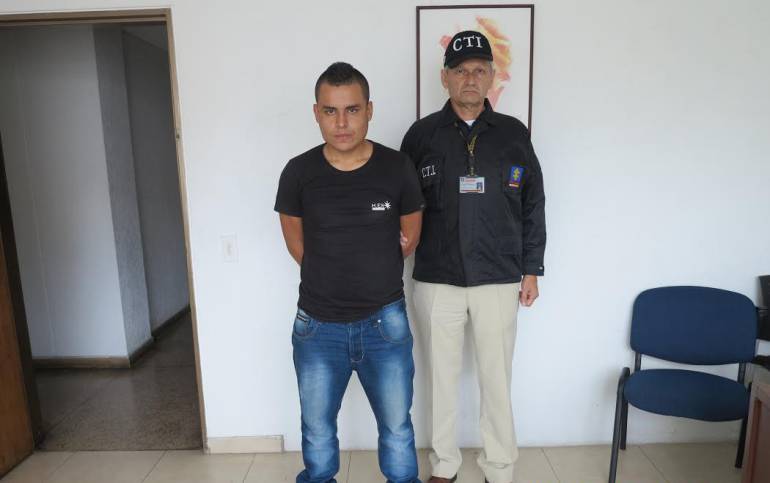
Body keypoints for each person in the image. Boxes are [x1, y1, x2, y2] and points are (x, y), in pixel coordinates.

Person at [400, 31, 546, 483]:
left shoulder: (513, 134)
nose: (470, 78)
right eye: (460, 70)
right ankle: (444, 465)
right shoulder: (421, 135)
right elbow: (403, 206)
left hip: (499, 277)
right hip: (436, 279)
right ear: (444, 77)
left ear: (492, 77)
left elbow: (533, 204)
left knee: (496, 380)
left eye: (479, 70)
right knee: (440, 380)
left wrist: (532, 269)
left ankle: (499, 466)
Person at [275, 62, 424, 483]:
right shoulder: (298, 172)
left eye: (352, 110)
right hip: (317, 328)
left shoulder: (397, 167)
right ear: (316, 113)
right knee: (317, 429)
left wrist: (369, 269)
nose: (341, 123)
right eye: (330, 111)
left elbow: (409, 237)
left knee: (397, 426)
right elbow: (297, 245)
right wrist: (334, 272)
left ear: (369, 110)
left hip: (385, 324)